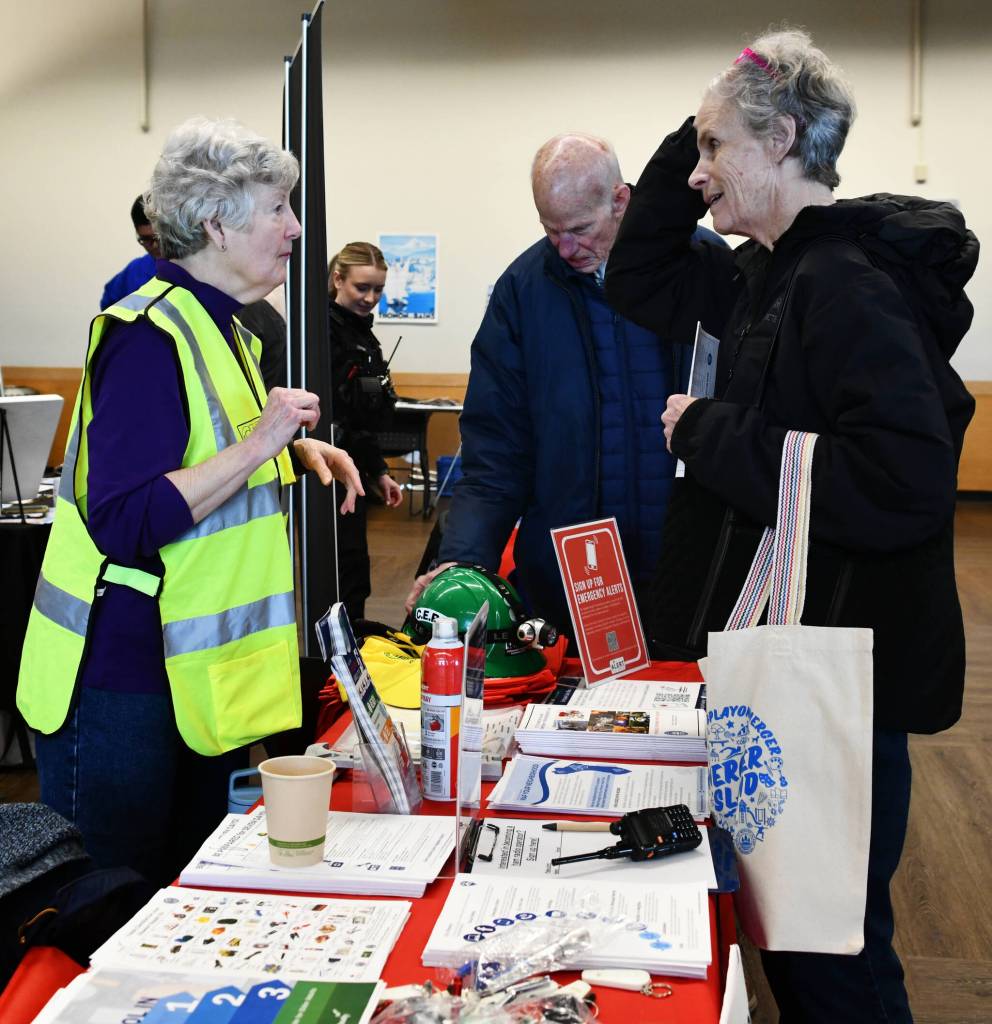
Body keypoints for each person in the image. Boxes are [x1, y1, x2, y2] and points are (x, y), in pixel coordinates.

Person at [605, 28, 977, 1022]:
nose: (696, 175)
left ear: (780, 142)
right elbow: (633, 272)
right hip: (801, 666)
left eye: (714, 148)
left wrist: (713, 431)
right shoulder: (766, 272)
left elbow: (901, 480)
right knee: (795, 943)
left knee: (830, 957)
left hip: (838, 682)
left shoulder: (845, 281)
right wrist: (701, 114)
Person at [17, 116, 364, 887]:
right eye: (277, 208)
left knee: (183, 896)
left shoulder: (222, 329)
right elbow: (124, 519)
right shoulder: (146, 334)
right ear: (214, 223)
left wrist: (294, 452)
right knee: (109, 904)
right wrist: (265, 440)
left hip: (189, 684)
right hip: (117, 685)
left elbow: (203, 458)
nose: (295, 228)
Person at [405, 133, 722, 633]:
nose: (566, 247)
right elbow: (495, 451)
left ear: (621, 200)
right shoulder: (523, 291)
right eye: (551, 230)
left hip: (691, 572)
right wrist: (463, 561)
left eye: (579, 228)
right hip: (570, 588)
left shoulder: (703, 263)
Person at [327, 242, 404, 622]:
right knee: (342, 572)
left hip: (354, 467)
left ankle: (352, 650)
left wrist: (380, 471)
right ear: (338, 279)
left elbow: (362, 419)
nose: (370, 298)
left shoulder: (363, 336)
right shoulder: (321, 332)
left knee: (355, 570)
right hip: (326, 471)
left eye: (377, 290)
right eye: (362, 288)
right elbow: (336, 414)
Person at [99, 195, 160, 309]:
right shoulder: (134, 273)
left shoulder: (195, 268)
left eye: (158, 237)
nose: (155, 245)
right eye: (146, 240)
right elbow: (108, 307)